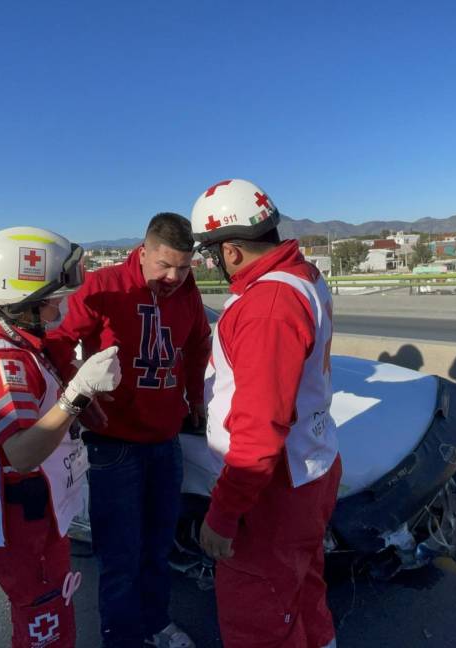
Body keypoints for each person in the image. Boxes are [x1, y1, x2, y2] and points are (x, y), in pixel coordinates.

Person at [0, 226, 122, 648]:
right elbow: (23, 453)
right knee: (46, 624)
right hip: (24, 519)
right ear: (23, 304)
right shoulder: (3, 362)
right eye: (52, 301)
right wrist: (79, 393)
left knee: (44, 616)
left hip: (33, 514)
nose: (60, 308)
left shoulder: (17, 346)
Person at [46, 213, 209, 648]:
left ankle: (155, 623)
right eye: (165, 266)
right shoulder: (104, 286)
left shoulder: (187, 291)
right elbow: (60, 342)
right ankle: (121, 639)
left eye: (184, 266)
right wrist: (80, 395)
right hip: (114, 445)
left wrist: (197, 398)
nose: (174, 276)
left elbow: (196, 346)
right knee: (120, 557)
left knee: (158, 549)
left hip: (165, 441)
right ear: (143, 251)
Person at [189, 180, 341, 648]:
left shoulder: (267, 305)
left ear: (231, 251)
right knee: (301, 589)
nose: (211, 263)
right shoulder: (302, 275)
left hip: (272, 490)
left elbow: (258, 430)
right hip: (308, 466)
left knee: (257, 615)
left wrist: (224, 513)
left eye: (211, 253)